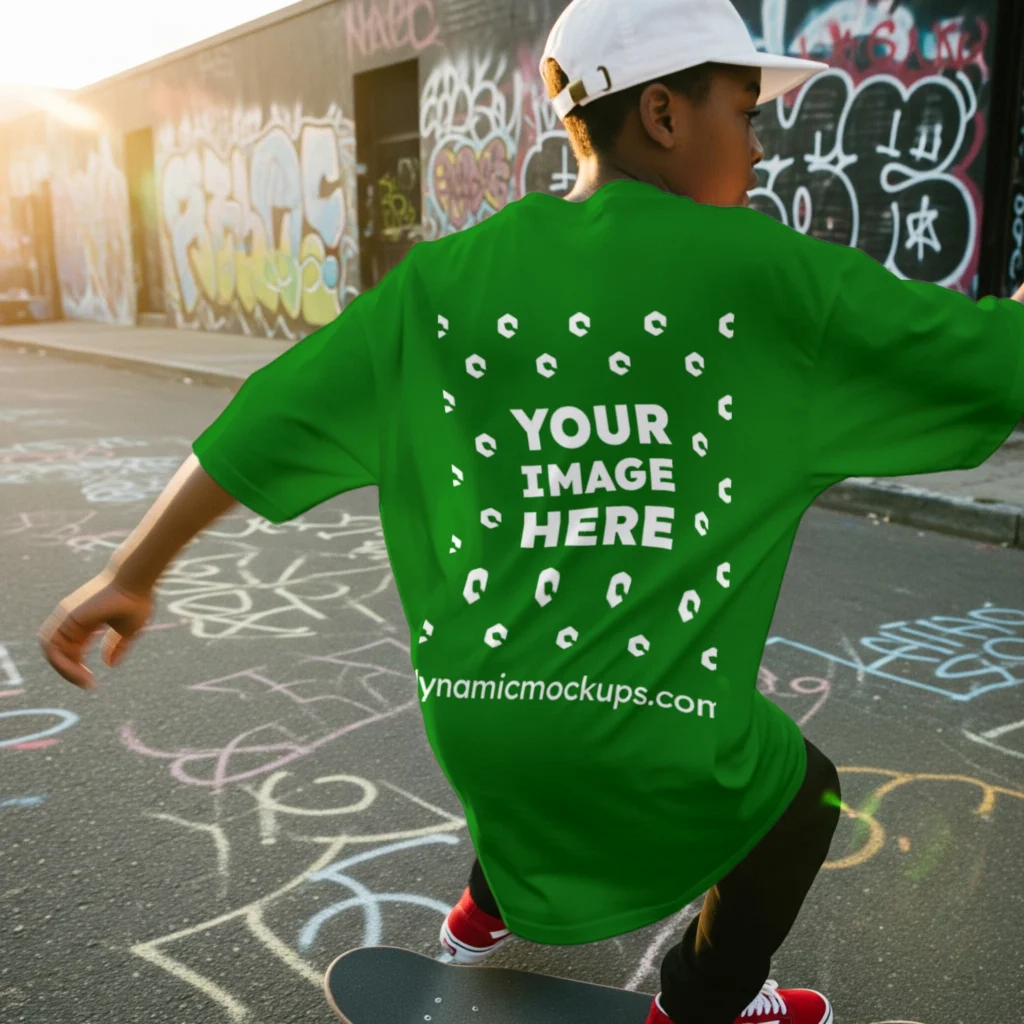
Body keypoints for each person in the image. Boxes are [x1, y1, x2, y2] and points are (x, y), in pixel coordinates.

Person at [38, 0, 1024, 1021]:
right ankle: (699, 1005)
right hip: (653, 735)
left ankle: (479, 912)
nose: (761, 146)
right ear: (663, 114)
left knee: (543, 715)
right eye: (744, 111)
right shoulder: (768, 273)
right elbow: (994, 357)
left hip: (476, 721)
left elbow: (258, 424)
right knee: (800, 795)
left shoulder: (441, 281)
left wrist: (130, 573)